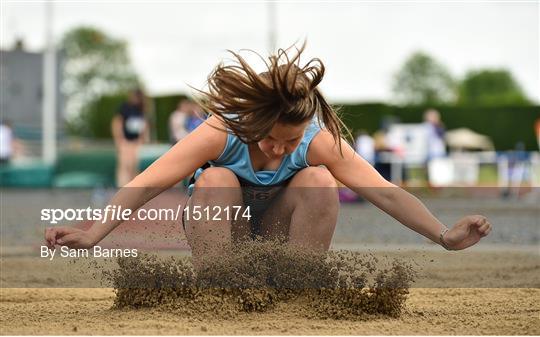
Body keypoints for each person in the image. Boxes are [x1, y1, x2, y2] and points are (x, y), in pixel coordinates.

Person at [45, 45, 491, 260]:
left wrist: (443, 235)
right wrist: (94, 233)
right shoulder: (221, 131)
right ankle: (218, 288)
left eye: (290, 141)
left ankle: (298, 285)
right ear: (253, 122)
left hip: (282, 231)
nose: (278, 149)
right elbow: (149, 182)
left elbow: (386, 192)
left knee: (319, 179)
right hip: (226, 231)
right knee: (216, 178)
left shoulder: (317, 141)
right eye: (270, 139)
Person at [111, 89, 148, 187]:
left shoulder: (140, 109)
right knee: (125, 165)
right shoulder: (125, 107)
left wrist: (141, 138)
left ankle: (132, 189)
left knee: (133, 166)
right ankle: (122, 188)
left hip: (135, 142)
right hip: (126, 141)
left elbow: (143, 125)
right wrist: (119, 139)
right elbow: (117, 123)